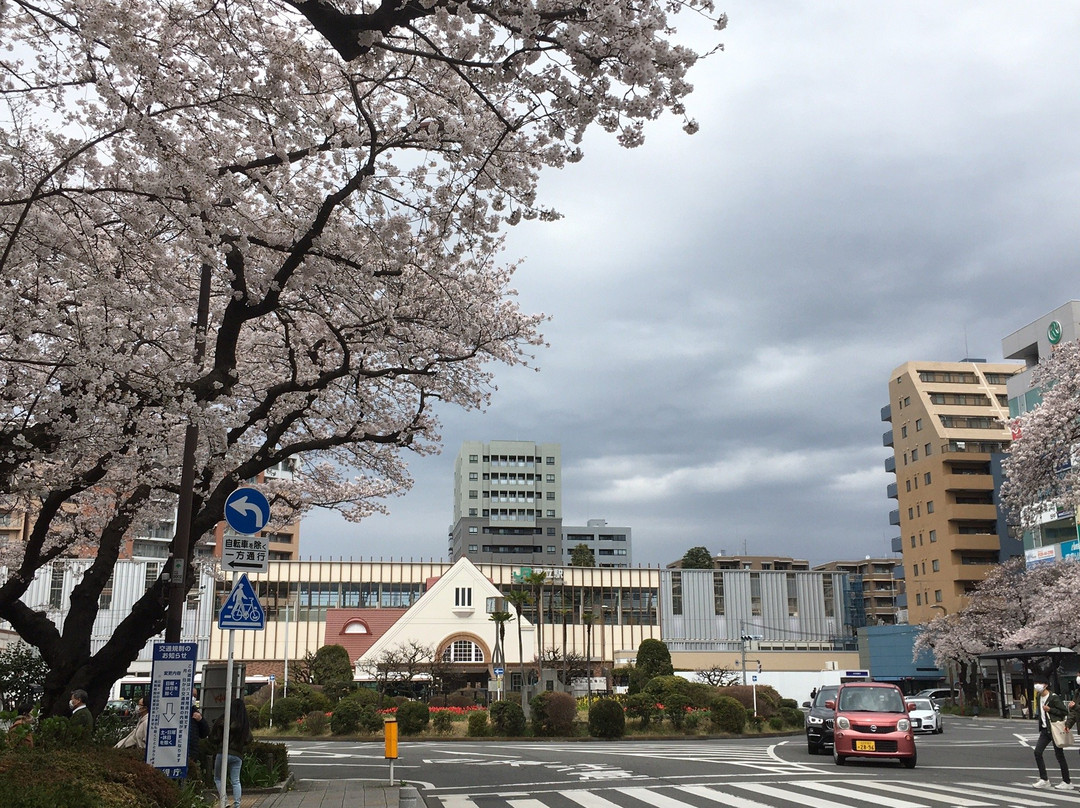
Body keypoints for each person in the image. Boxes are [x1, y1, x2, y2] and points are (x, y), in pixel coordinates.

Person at [1032, 677, 1073, 790]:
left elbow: (1064, 712)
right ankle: (1044, 779)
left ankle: (1067, 781)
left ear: (1045, 685)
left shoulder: (1053, 698)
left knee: (1059, 755)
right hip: (1045, 730)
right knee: (1037, 752)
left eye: (1039, 683)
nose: (1037, 685)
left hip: (1054, 729)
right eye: (1036, 683)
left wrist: (1050, 710)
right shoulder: (1039, 696)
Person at [211, 697, 252, 808]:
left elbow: (213, 737)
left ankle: (224, 802)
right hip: (237, 755)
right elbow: (249, 739)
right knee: (236, 780)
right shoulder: (244, 724)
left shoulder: (223, 720)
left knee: (218, 778)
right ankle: (237, 805)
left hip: (222, 753)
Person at [186, 691, 210, 779]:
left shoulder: (195, 712)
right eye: (192, 695)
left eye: (195, 696)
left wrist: (201, 720)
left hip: (192, 751)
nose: (193, 698)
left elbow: (205, 733)